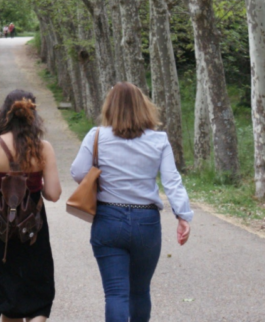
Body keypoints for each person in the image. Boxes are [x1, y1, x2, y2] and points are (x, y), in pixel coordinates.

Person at [70, 82, 193, 322]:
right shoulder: (159, 140)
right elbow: (172, 181)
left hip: (108, 219)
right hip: (146, 222)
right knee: (140, 291)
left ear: (109, 108)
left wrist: (101, 181)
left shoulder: (96, 136)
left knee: (116, 294)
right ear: (143, 107)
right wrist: (183, 216)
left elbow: (77, 171)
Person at [0, 89, 62, 322]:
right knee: (37, 291)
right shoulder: (43, 148)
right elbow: (54, 194)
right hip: (33, 226)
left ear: (4, 115)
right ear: (33, 116)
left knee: (8, 293)